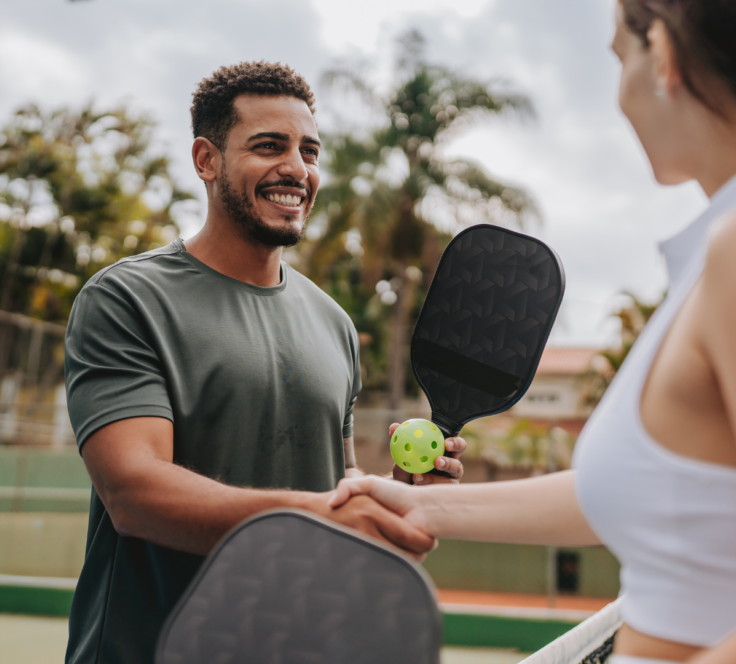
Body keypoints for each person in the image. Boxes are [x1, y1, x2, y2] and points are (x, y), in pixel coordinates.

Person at [330, 1, 736, 662]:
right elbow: (651, 492)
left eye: (619, 56)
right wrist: (426, 509)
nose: (618, 96)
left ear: (663, 56)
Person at [63, 61, 460, 664]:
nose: (297, 170)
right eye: (269, 146)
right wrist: (320, 516)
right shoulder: (125, 300)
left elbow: (338, 480)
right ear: (207, 160)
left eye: (310, 151)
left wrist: (396, 494)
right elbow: (134, 492)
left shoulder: (335, 324)